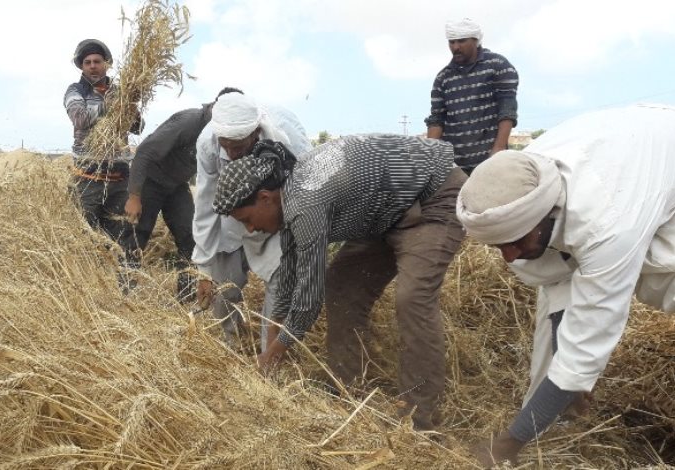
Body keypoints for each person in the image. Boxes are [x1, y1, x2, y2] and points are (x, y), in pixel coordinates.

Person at [455, 104, 675, 467]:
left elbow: (590, 333)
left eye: (515, 242)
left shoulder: (608, 224)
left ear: (546, 215)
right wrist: (570, 385)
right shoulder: (521, 181)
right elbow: (562, 286)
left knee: (665, 275)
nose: (509, 258)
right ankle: (550, 415)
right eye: (499, 246)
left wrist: (510, 442)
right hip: (631, 153)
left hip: (662, 166)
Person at [213, 134, 467, 430]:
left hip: (433, 196)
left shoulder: (305, 202)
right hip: (384, 213)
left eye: (247, 219)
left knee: (412, 299)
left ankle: (420, 421)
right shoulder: (290, 197)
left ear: (265, 197)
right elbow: (289, 276)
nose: (251, 228)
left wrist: (275, 353)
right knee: (342, 286)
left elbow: (308, 298)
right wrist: (270, 343)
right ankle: (347, 393)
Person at [192, 92, 311, 347]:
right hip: (232, 220)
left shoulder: (287, 137)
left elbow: (306, 193)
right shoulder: (207, 144)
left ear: (256, 132)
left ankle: (270, 357)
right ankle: (232, 343)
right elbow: (205, 204)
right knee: (224, 289)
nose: (232, 153)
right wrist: (204, 269)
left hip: (276, 220)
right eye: (226, 145)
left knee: (281, 283)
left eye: (239, 146)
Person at [124, 88, 242, 302]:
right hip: (151, 182)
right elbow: (144, 152)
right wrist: (134, 196)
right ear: (216, 106)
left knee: (190, 236)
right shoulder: (189, 122)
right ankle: (124, 292)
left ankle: (185, 297)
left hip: (176, 186)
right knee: (137, 234)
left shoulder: (224, 133)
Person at [64, 38, 142, 259]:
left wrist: (131, 107)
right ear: (81, 66)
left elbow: (138, 127)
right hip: (88, 175)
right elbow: (79, 118)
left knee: (122, 237)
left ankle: (124, 286)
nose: (92, 66)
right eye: (87, 62)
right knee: (86, 235)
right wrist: (111, 106)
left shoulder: (120, 92)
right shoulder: (75, 91)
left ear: (106, 64)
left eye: (97, 61)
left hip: (119, 177)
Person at [425, 18, 519, 174]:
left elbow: (507, 111)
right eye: (451, 42)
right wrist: (427, 157)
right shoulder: (443, 78)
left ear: (475, 41)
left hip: (490, 162)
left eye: (461, 41)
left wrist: (499, 149)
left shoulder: (498, 66)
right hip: (454, 166)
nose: (455, 47)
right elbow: (437, 120)